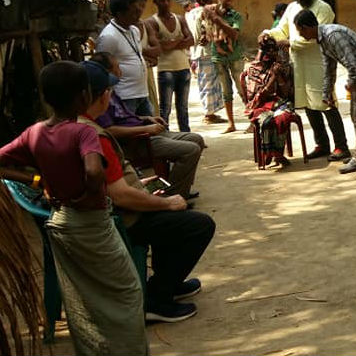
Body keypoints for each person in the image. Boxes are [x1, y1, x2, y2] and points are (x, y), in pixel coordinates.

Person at [0, 61, 148, 355]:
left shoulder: (34, 133)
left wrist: (35, 178)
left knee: (81, 301)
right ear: (84, 96)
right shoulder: (84, 133)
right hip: (92, 223)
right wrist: (85, 194)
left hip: (60, 224)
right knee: (127, 292)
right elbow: (94, 171)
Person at [78, 60, 215, 324]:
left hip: (115, 210)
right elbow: (119, 195)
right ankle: (157, 299)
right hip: (121, 218)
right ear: (97, 96)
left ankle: (166, 283)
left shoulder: (65, 127)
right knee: (198, 225)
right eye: (107, 90)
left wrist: (36, 180)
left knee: (172, 218)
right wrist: (163, 204)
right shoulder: (93, 135)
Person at [91, 52, 205, 200]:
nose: (120, 71)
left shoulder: (112, 91)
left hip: (146, 131)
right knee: (190, 150)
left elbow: (125, 117)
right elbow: (109, 130)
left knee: (196, 139)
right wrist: (145, 129)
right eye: (117, 67)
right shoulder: (100, 98)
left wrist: (147, 119)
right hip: (138, 140)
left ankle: (178, 188)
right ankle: (173, 196)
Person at [262, 0, 349, 162]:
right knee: (309, 104)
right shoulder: (292, 7)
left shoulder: (324, 9)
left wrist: (290, 43)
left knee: (326, 104)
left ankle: (341, 146)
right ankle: (322, 144)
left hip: (319, 64)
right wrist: (268, 33)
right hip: (299, 65)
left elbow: (316, 37)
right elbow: (281, 30)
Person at [294, 11, 356, 174]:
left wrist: (351, 82)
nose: (300, 34)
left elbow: (351, 62)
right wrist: (326, 94)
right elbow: (329, 69)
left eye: (300, 30)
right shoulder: (323, 39)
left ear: (307, 28)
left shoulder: (332, 36)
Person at [147, 0, 195, 132]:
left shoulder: (179, 18)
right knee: (165, 108)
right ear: (155, 2)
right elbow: (161, 48)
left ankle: (186, 135)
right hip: (166, 69)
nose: (166, 3)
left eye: (168, 0)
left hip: (183, 69)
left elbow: (191, 40)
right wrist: (179, 41)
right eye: (162, 0)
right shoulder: (152, 22)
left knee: (183, 107)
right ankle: (164, 134)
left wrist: (169, 43)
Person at [97, 0, 152, 116]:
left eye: (138, 11)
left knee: (150, 130)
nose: (138, 15)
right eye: (133, 12)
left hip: (142, 93)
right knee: (130, 131)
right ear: (120, 14)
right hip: (124, 96)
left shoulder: (134, 30)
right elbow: (102, 68)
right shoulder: (108, 37)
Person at [243, 37, 294, 167]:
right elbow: (256, 96)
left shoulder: (281, 67)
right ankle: (268, 153)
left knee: (282, 117)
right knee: (266, 120)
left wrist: (278, 76)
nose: (272, 55)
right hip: (259, 105)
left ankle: (276, 153)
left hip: (279, 102)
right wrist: (272, 79)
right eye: (268, 52)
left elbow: (285, 94)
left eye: (275, 51)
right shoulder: (253, 68)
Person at [203, 0, 245, 133]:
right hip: (218, 57)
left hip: (235, 57)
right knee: (226, 92)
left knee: (242, 89)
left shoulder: (236, 16)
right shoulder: (211, 12)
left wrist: (218, 20)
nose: (229, 2)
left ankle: (253, 122)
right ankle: (231, 124)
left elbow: (234, 34)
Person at [186, 0, 226, 124]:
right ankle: (208, 114)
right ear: (205, 1)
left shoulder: (189, 13)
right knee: (209, 83)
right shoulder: (205, 12)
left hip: (196, 52)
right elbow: (206, 30)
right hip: (206, 51)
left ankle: (211, 112)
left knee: (205, 82)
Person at [129, 0, 162, 117]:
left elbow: (157, 50)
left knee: (152, 108)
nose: (140, 10)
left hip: (147, 75)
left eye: (143, 6)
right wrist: (145, 55)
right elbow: (128, 52)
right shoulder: (125, 28)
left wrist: (138, 53)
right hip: (133, 77)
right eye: (138, 6)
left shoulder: (145, 25)